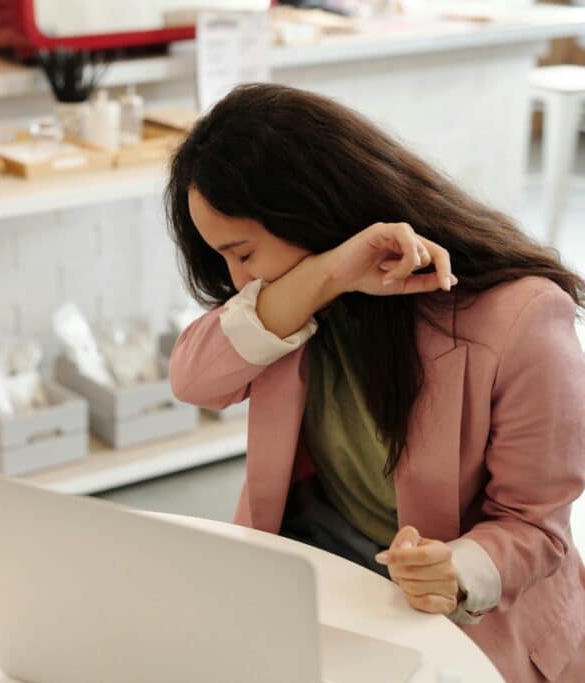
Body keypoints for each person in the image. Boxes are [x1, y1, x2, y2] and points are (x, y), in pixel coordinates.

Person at [166, 83, 585, 682]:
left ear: (308, 211)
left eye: (243, 253)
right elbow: (193, 380)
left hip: (460, 610)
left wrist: (457, 568)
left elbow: (536, 527)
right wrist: (329, 273)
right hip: (316, 559)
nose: (238, 281)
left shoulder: (521, 318)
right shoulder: (293, 305)